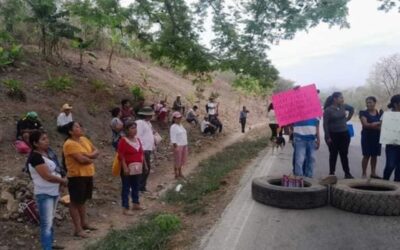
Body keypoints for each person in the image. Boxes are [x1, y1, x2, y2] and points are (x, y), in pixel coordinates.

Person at [27, 131, 67, 250]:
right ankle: (47, 247)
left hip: (53, 192)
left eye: (47, 138)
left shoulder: (47, 153)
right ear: (35, 143)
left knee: (50, 220)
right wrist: (63, 181)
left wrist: (61, 181)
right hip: (44, 193)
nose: (47, 140)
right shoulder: (35, 157)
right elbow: (47, 176)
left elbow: (56, 170)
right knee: (46, 223)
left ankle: (50, 244)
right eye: (43, 139)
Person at [63, 121, 99, 238]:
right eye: (77, 127)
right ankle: (77, 229)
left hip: (87, 174)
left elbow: (96, 151)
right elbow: (81, 160)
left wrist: (87, 155)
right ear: (70, 131)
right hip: (76, 176)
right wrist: (90, 156)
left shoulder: (84, 139)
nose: (80, 128)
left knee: (82, 200)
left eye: (80, 126)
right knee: (74, 202)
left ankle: (84, 223)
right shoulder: (69, 144)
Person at [323, 92, 354, 179]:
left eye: (342, 98)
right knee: (333, 155)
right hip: (333, 135)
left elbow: (352, 109)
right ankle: (331, 173)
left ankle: (347, 173)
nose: (342, 99)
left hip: (344, 134)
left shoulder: (343, 106)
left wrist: (348, 119)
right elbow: (325, 124)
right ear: (335, 99)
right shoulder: (328, 110)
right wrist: (327, 137)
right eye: (340, 98)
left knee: (344, 154)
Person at [117, 121, 146, 214]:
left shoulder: (137, 140)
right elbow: (121, 155)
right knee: (126, 187)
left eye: (135, 128)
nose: (134, 130)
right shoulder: (123, 141)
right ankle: (125, 207)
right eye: (132, 128)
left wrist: (144, 164)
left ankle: (136, 203)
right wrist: (125, 167)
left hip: (137, 167)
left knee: (136, 185)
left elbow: (141, 153)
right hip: (128, 168)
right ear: (126, 130)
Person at [359, 96, 383, 179]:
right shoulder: (363, 113)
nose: (368, 104)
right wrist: (377, 124)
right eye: (367, 102)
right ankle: (364, 173)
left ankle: (373, 173)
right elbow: (365, 125)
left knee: (374, 155)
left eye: (370, 102)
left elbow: (383, 125)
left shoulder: (380, 113)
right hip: (367, 137)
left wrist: (373, 125)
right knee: (366, 155)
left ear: (375, 103)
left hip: (377, 137)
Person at [136, 107, 155, 192]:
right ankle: (140, 187)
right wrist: (141, 149)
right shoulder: (140, 123)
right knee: (145, 169)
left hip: (148, 149)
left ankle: (142, 186)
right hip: (143, 149)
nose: (152, 116)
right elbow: (138, 137)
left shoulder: (148, 123)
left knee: (146, 169)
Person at [383, 94, 400, 181]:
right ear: (396, 104)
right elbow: (381, 127)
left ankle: (397, 189)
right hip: (391, 145)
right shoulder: (388, 115)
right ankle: (384, 183)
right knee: (390, 165)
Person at [170, 112, 188, 179]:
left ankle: (180, 172)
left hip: (184, 144)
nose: (179, 119)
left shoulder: (181, 125)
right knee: (177, 160)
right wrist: (175, 146)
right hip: (178, 145)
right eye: (177, 118)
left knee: (181, 160)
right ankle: (176, 174)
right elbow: (173, 138)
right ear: (174, 119)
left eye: (180, 118)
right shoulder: (173, 127)